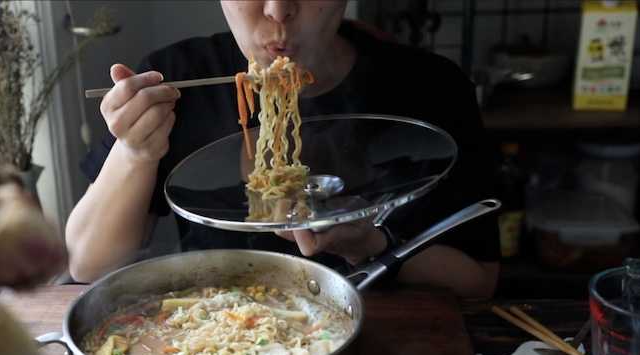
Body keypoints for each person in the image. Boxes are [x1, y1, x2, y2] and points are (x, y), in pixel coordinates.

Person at [66, 1, 500, 300]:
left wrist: (371, 243)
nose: (278, 9)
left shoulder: (431, 89)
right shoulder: (177, 81)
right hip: (222, 336)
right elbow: (88, 265)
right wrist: (135, 153)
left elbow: (478, 282)